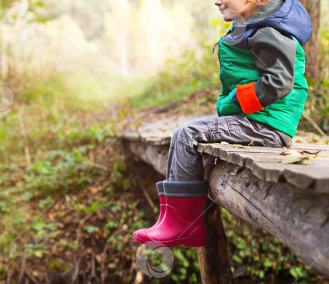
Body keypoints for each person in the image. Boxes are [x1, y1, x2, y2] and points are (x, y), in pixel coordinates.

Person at [132, 0, 312, 248]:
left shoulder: (268, 30)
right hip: (258, 121)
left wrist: (234, 101)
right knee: (187, 141)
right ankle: (172, 220)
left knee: (188, 135)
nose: (216, 1)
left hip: (268, 127)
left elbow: (280, 82)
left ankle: (183, 225)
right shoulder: (253, 26)